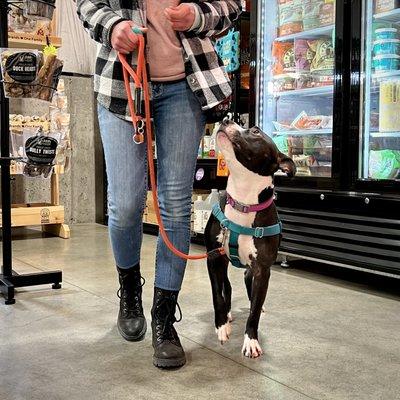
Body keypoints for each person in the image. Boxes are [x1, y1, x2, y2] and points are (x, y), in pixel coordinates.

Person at [76, 0, 241, 369]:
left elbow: (231, 6)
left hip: (186, 86)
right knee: (125, 204)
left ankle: (164, 319)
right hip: (120, 84)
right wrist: (113, 26)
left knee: (175, 204)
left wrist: (197, 16)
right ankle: (130, 292)